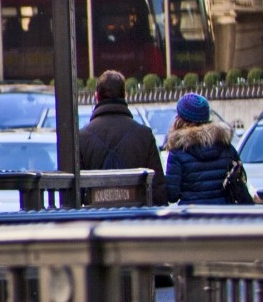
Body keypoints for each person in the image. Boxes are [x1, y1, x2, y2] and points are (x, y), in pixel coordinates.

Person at [76, 70, 167, 202]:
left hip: (96, 218)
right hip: (136, 219)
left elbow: (77, 193)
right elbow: (158, 189)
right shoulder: (144, 135)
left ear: (96, 97)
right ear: (125, 95)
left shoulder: (82, 138)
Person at [165, 92, 251, 204]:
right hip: (224, 215)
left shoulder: (178, 151)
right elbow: (239, 179)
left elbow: (172, 195)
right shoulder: (225, 145)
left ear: (180, 119)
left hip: (192, 216)